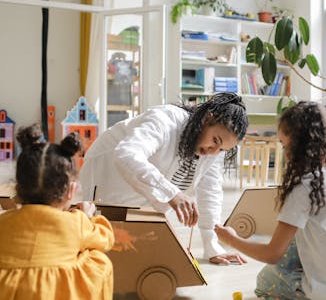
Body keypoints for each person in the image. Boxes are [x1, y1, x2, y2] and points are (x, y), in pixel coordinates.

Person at [215, 101, 326, 300]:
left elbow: (272, 254)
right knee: (297, 239)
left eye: (285, 145)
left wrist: (232, 239)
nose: (285, 154)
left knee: (265, 282)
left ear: (300, 144)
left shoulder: (306, 188)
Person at [79, 92, 249, 264]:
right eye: (215, 140)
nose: (213, 151)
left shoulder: (213, 151)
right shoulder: (165, 120)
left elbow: (210, 191)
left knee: (133, 251)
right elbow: (127, 154)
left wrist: (211, 245)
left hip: (145, 192)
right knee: (98, 242)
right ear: (207, 118)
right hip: (106, 172)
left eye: (221, 149)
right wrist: (171, 193)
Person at [0, 124, 114, 300]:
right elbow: (106, 239)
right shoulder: (77, 222)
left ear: (18, 187)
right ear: (71, 191)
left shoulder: (4, 221)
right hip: (54, 292)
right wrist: (89, 217)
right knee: (99, 260)